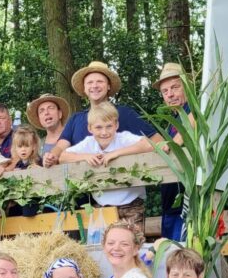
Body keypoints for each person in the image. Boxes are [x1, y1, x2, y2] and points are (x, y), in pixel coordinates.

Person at [43, 61, 158, 168]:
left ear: (108, 86)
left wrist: (117, 154)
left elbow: (157, 141)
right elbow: (60, 148)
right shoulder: (75, 119)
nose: (94, 86)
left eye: (100, 81)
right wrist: (51, 156)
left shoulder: (124, 113)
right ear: (84, 88)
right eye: (90, 82)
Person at [61, 102, 154, 230]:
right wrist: (84, 157)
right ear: (90, 128)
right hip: (102, 206)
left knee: (132, 242)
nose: (104, 132)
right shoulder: (89, 143)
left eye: (109, 126)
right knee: (104, 245)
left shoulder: (123, 138)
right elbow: (63, 157)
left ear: (116, 125)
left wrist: (115, 153)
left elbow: (148, 144)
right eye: (98, 127)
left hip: (131, 205)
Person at [153, 62, 193, 241]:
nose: (170, 94)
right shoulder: (172, 120)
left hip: (187, 203)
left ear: (186, 87)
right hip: (170, 203)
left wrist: (172, 143)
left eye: (175, 87)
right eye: (165, 91)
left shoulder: (193, 110)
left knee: (181, 256)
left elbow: (193, 122)